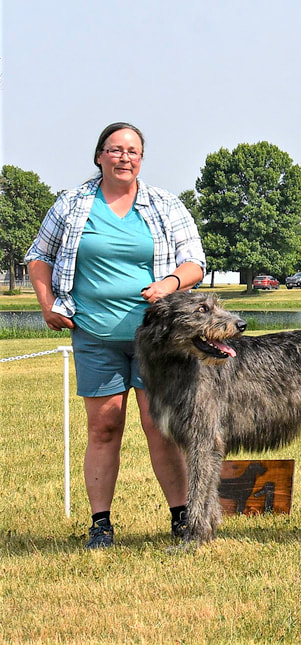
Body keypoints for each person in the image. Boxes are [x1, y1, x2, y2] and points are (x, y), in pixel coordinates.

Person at [25, 122, 206, 549]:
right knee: (104, 428)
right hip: (94, 333)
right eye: (116, 150)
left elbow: (194, 261)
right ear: (99, 155)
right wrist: (47, 302)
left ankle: (182, 517)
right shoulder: (72, 204)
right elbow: (38, 255)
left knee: (159, 426)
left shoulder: (164, 204)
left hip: (159, 339)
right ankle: (100, 524)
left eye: (133, 151)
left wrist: (170, 284)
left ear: (141, 159)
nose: (125, 157)